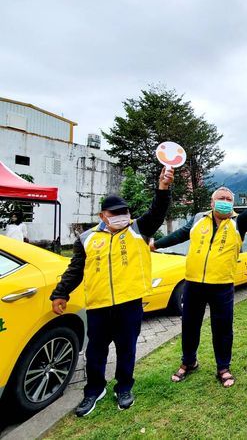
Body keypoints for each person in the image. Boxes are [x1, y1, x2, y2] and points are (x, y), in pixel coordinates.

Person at [50, 167, 174, 416]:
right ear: (102, 215)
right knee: (96, 351)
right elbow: (76, 270)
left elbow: (158, 212)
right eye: (115, 214)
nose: (121, 217)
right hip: (98, 306)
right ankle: (94, 390)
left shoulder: (138, 229)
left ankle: (124, 387)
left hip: (129, 304)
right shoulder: (86, 238)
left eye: (124, 212)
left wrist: (163, 187)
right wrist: (60, 293)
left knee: (127, 349)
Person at [152, 181, 247, 388]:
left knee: (222, 329)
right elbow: (179, 235)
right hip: (193, 284)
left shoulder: (239, 223)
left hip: (222, 286)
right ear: (211, 203)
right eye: (220, 199)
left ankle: (223, 367)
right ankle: (189, 362)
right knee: (190, 326)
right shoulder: (197, 220)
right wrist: (155, 244)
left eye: (229, 200)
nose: (225, 202)